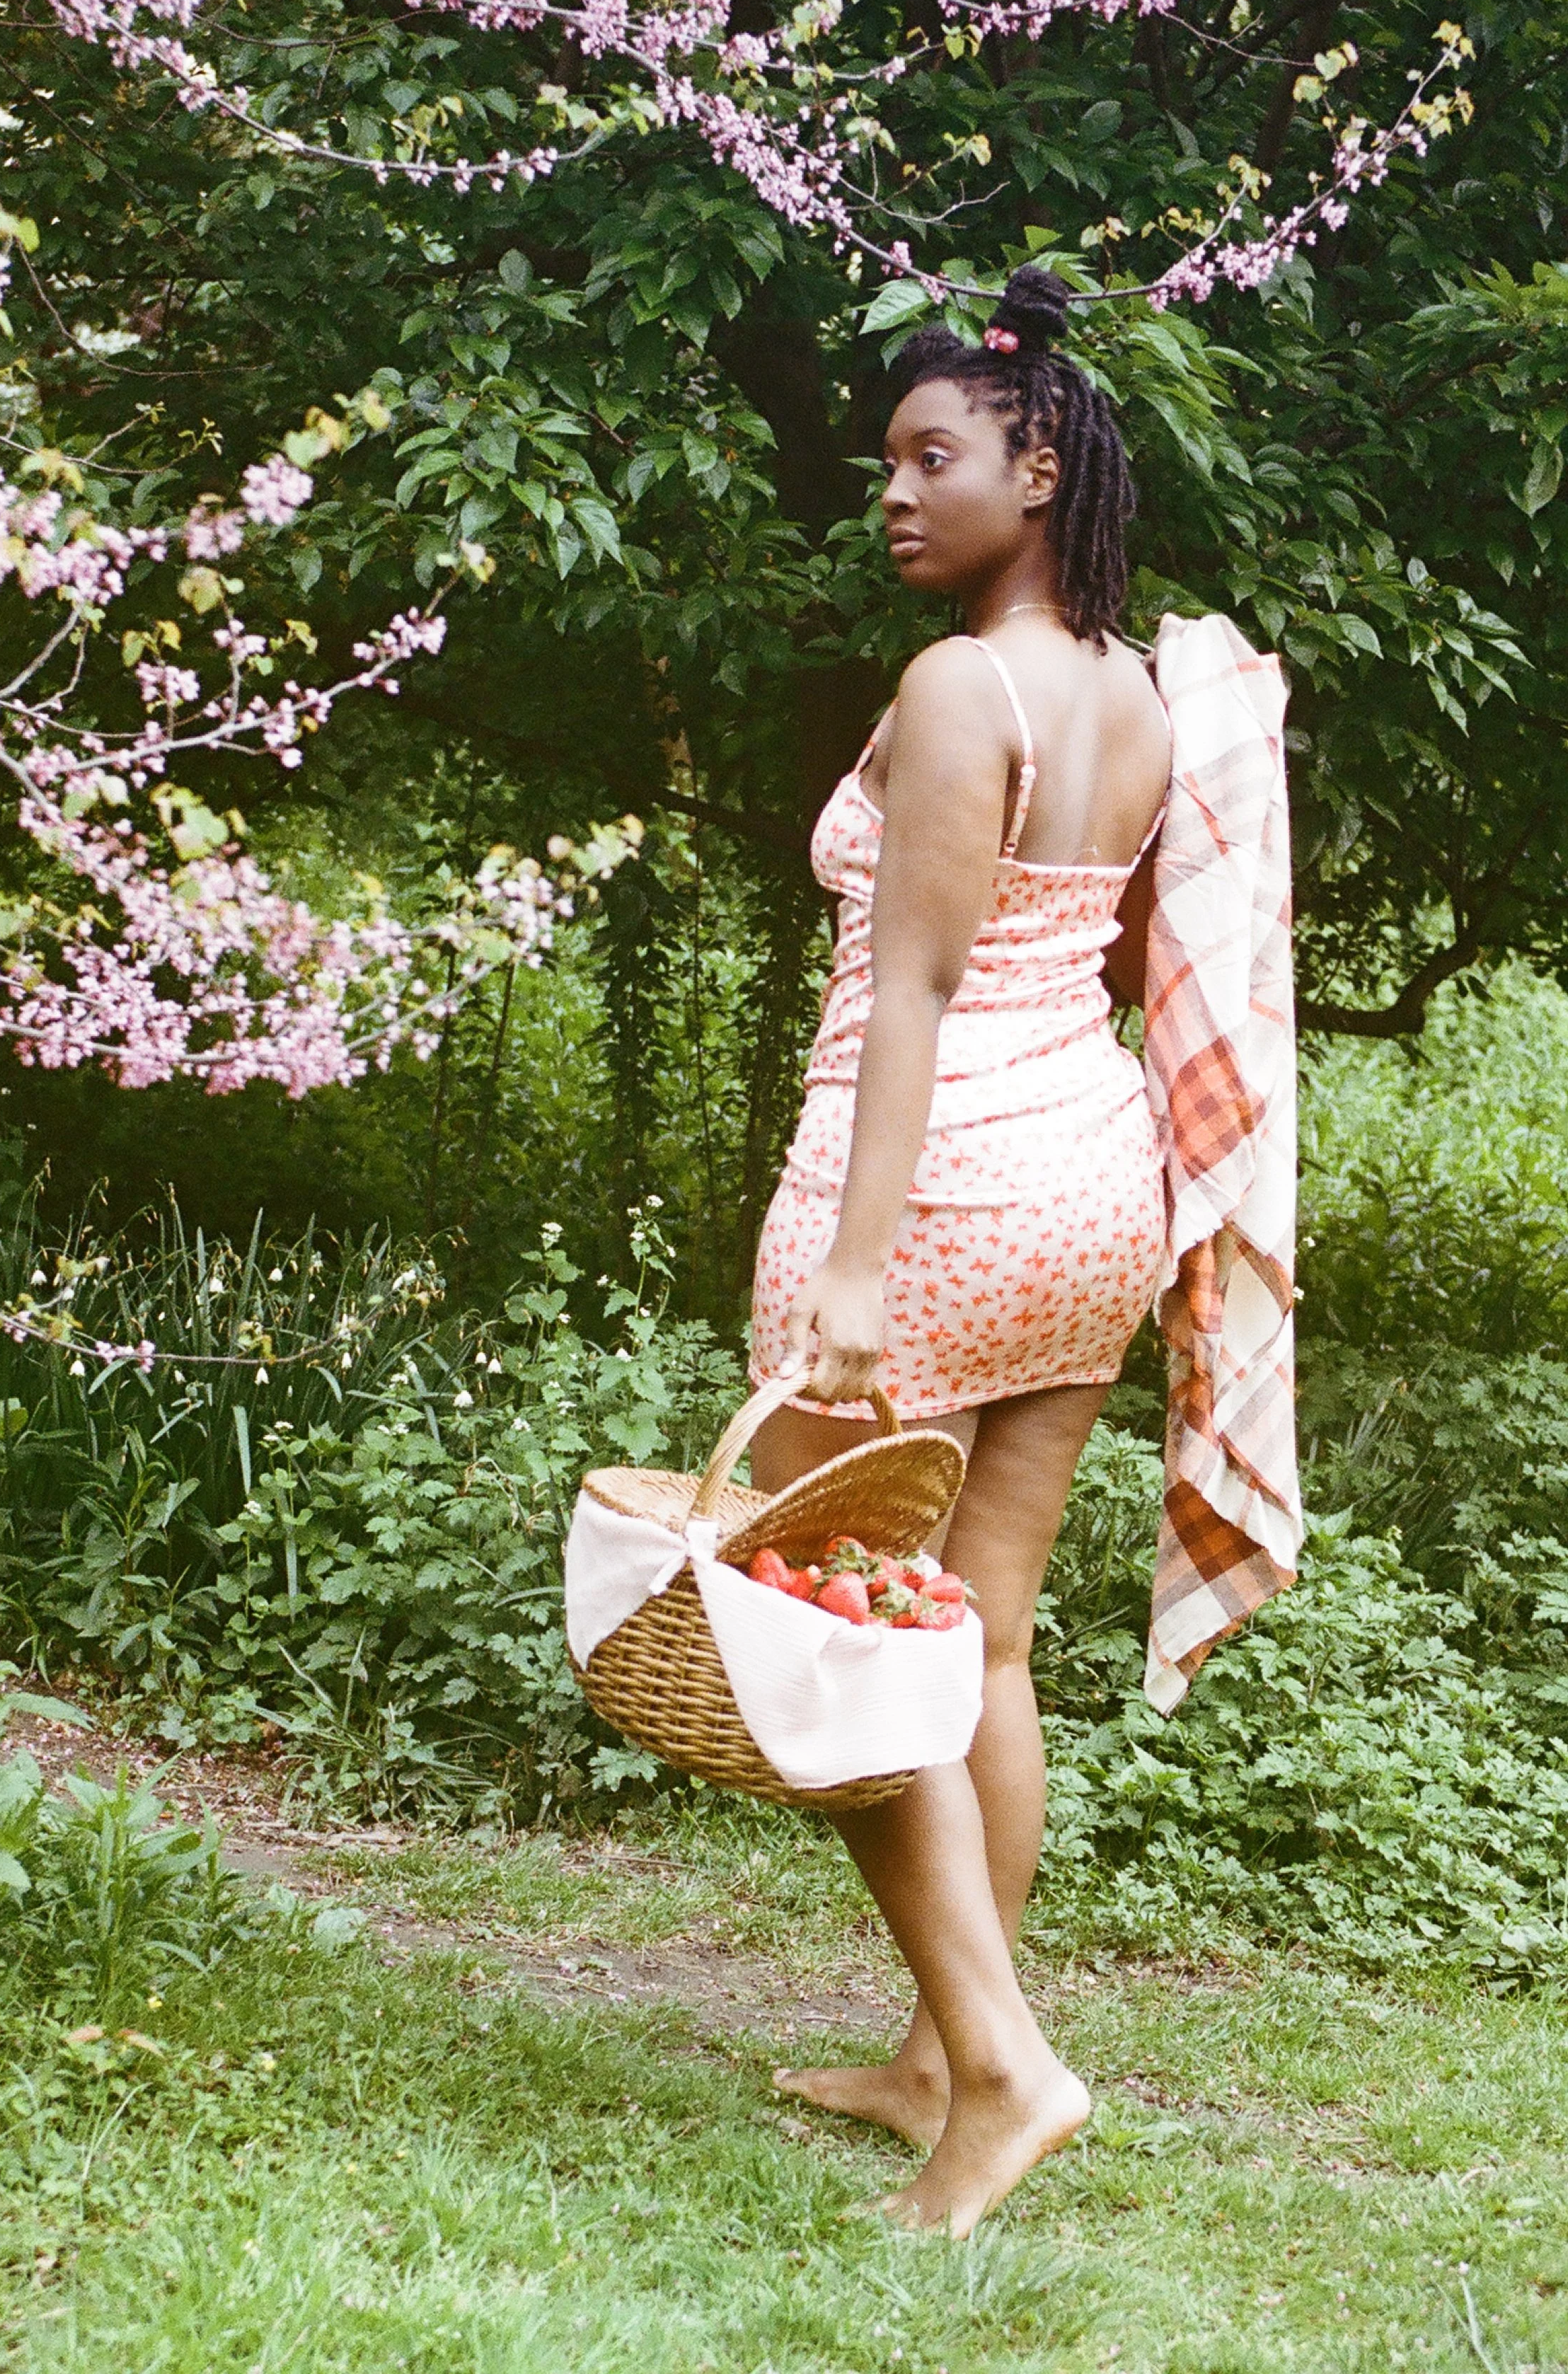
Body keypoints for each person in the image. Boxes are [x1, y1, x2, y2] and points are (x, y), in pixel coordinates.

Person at [745, 263, 1173, 2232]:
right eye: (883, 464)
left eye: (934, 459)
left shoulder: (951, 687)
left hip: (941, 1200)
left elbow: (908, 994)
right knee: (976, 1636)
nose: (892, 495)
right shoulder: (1134, 692)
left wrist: (848, 1276)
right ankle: (933, 2051)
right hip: (1092, 1183)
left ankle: (1000, 2074)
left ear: (1042, 463)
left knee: (837, 1647)